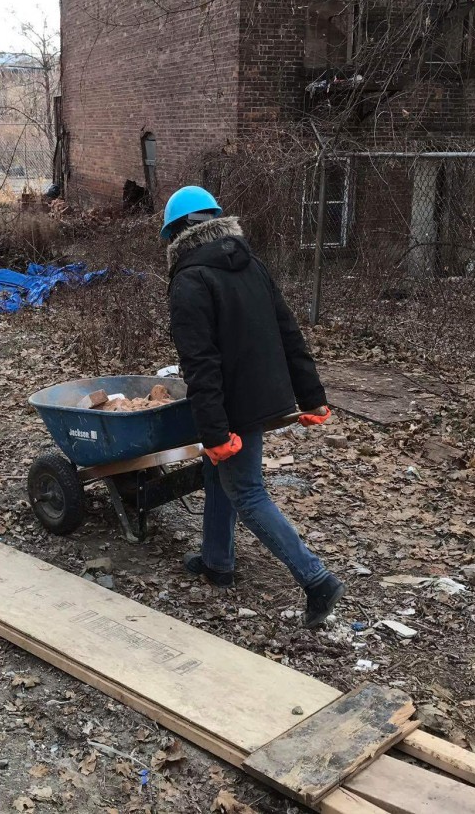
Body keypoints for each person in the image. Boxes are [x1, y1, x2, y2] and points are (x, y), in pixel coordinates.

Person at [161, 186, 345, 629]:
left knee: (246, 490)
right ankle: (217, 561)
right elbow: (289, 333)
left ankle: (316, 578)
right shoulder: (250, 264)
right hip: (266, 395)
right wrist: (312, 395)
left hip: (233, 403)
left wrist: (215, 433)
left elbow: (200, 366)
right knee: (215, 475)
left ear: (179, 234)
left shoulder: (190, 279)